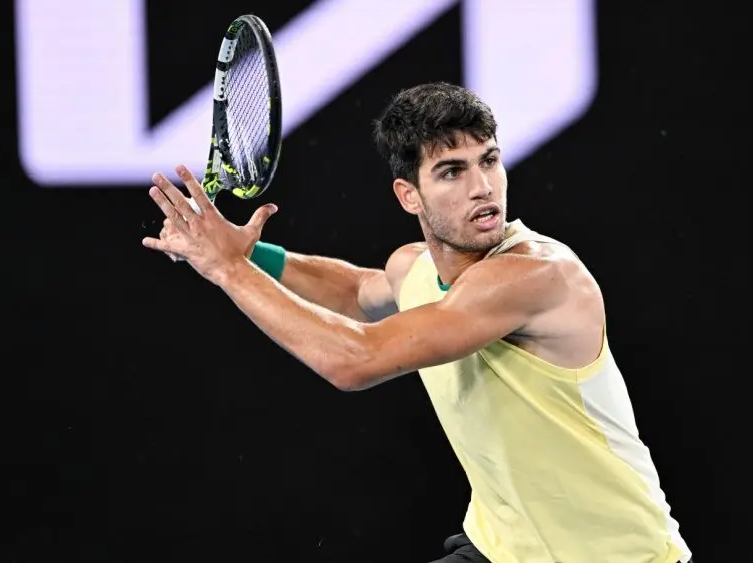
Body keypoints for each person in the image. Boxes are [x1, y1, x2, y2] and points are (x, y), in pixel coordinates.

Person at [142, 82, 692, 563]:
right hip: (501, 548)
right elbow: (357, 291)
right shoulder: (416, 269)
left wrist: (228, 269)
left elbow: (355, 359)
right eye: (452, 171)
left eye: (490, 160)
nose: (482, 187)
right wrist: (253, 256)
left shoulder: (536, 277)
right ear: (409, 195)